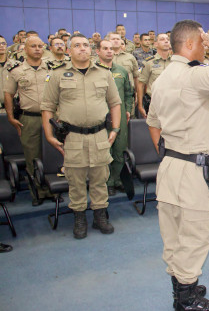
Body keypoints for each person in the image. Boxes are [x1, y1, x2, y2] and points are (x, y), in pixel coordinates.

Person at [146, 20, 209, 311]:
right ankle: (188, 301)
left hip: (169, 167)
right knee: (195, 237)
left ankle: (181, 288)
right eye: (203, 42)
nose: (207, 46)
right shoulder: (195, 75)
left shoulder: (163, 78)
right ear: (190, 44)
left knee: (174, 234)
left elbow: (153, 124)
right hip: (193, 173)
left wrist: (173, 151)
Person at [41, 33, 121, 239]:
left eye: (86, 45)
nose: (82, 48)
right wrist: (49, 135)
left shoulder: (104, 74)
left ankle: (100, 215)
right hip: (73, 136)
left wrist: (115, 129)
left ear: (91, 49)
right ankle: (79, 217)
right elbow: (47, 107)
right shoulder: (57, 74)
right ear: (69, 51)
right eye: (77, 45)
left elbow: (115, 103)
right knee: (75, 180)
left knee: (99, 178)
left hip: (99, 135)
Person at [3, 36, 58, 205]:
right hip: (29, 118)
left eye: (40, 46)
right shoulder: (16, 70)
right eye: (33, 46)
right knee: (32, 157)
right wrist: (11, 117)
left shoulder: (52, 68)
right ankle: (38, 194)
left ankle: (53, 190)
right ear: (25, 49)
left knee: (52, 156)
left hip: (51, 118)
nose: (37, 49)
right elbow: (8, 95)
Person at [96, 39, 133, 196]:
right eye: (105, 48)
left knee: (119, 149)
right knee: (104, 150)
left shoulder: (122, 71)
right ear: (98, 51)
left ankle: (116, 180)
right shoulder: (93, 71)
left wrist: (129, 109)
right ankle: (105, 182)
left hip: (120, 116)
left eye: (111, 48)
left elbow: (128, 93)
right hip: (100, 117)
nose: (109, 51)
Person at [137, 33, 172, 118]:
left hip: (172, 103)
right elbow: (140, 84)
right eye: (162, 39)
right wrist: (140, 105)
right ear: (156, 44)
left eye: (167, 39)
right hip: (154, 103)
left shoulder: (175, 62)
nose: (166, 41)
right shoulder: (149, 62)